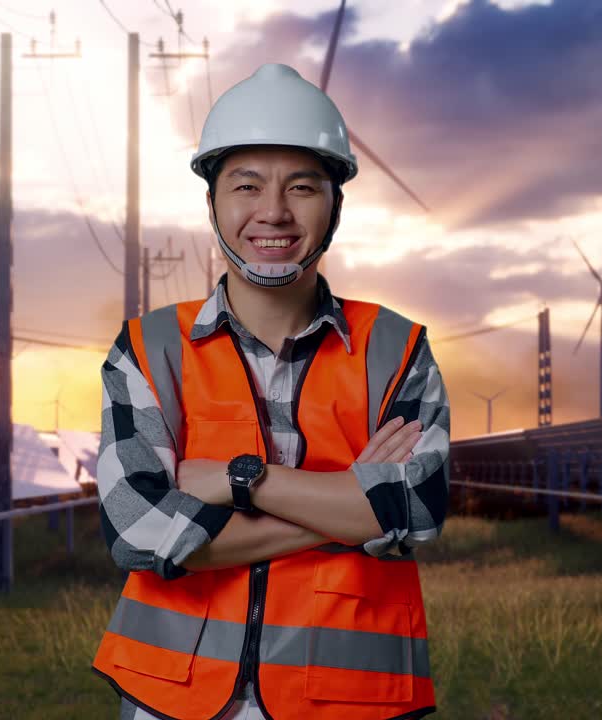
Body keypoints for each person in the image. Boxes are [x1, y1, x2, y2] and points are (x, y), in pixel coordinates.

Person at [93, 63, 450, 720]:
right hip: (171, 697)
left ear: (336, 204)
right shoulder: (149, 349)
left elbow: (417, 513)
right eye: (247, 186)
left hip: (348, 701)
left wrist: (237, 481)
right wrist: (349, 508)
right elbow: (137, 530)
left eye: (302, 187)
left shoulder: (397, 349)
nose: (274, 212)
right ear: (212, 204)